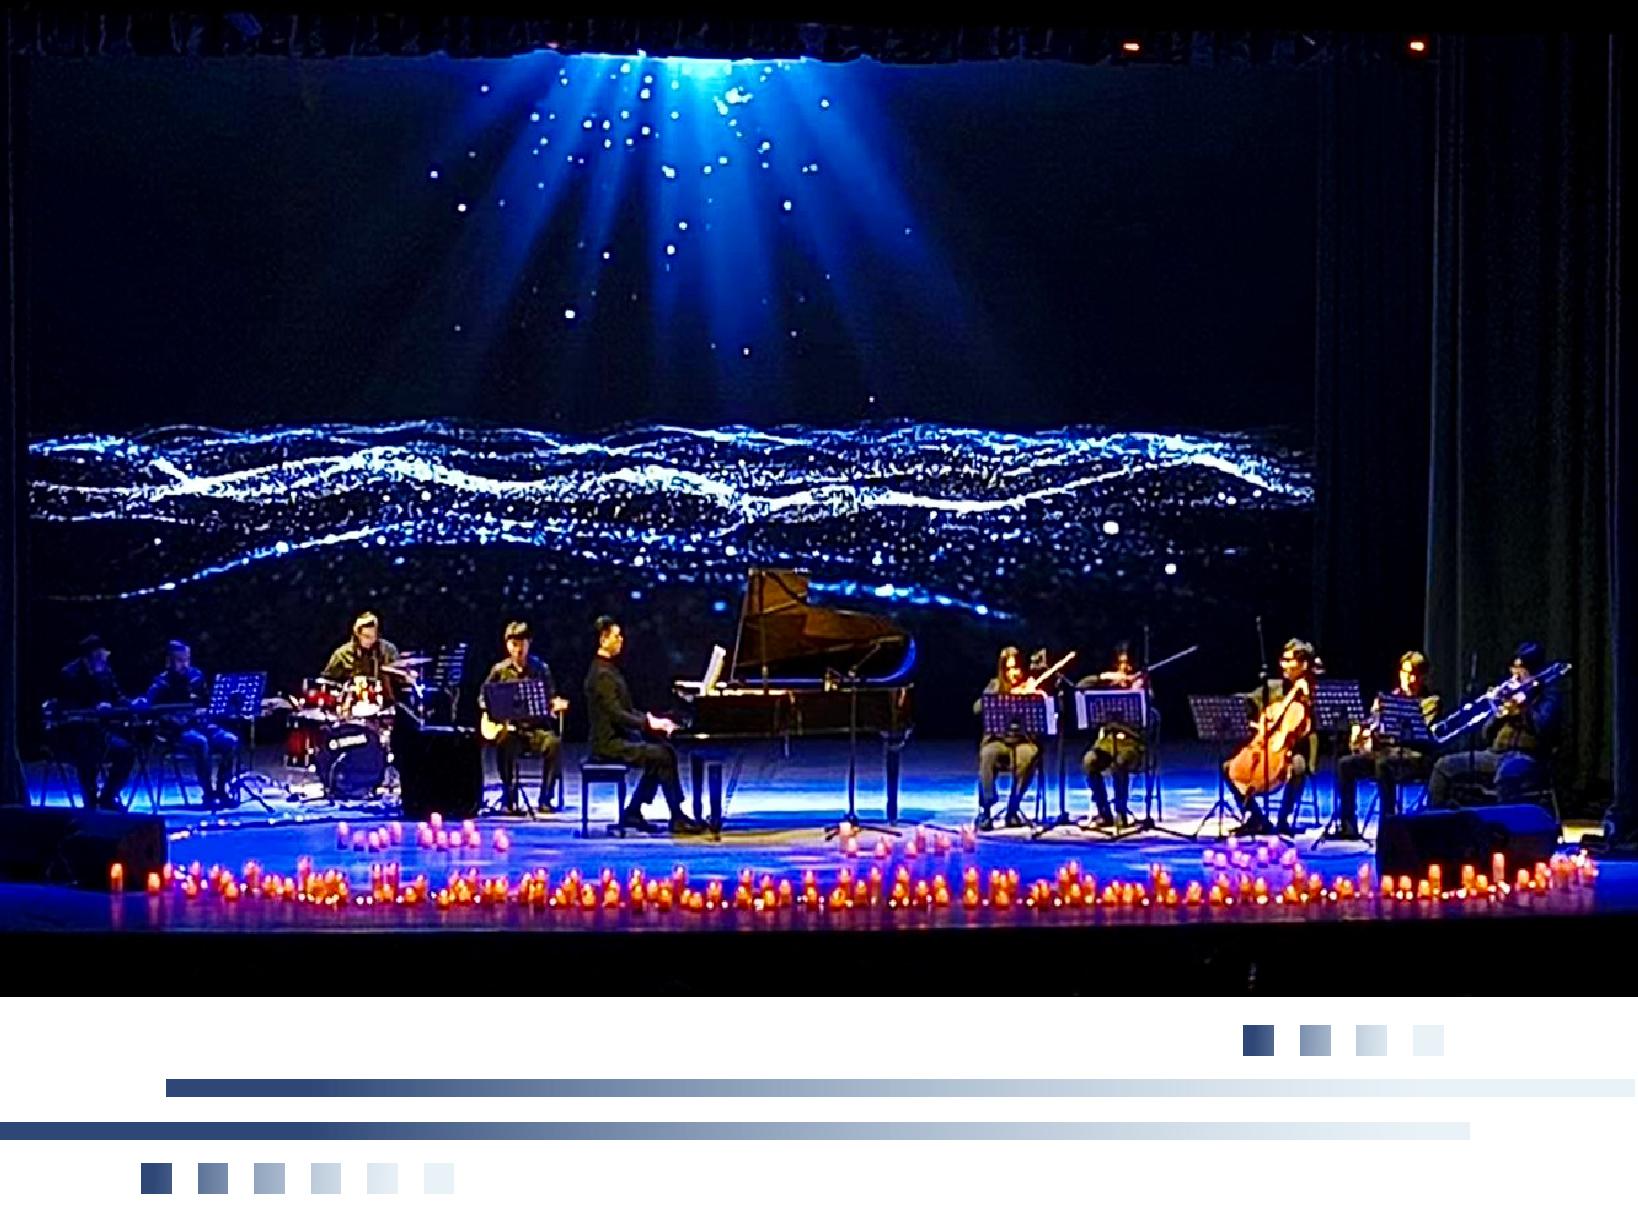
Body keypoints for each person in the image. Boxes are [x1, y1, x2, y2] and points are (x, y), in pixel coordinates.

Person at [583, 616, 705, 836]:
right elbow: (617, 714)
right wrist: (649, 723)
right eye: (616, 636)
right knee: (662, 756)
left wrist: (652, 720)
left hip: (619, 738)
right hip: (608, 744)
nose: (621, 640)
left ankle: (634, 811)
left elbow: (627, 709)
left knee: (663, 751)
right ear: (603, 639)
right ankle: (676, 816)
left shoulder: (608, 669)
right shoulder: (601, 674)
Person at [1428, 641, 1563, 806]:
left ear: (1534, 671)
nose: (1515, 674)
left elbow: (1544, 728)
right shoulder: (1509, 694)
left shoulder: (1548, 695)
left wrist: (1522, 710)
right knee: (1443, 766)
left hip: (1527, 757)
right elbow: (1486, 736)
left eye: (1521, 669)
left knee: (1506, 775)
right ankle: (1435, 815)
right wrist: (1497, 712)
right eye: (1514, 668)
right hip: (1494, 754)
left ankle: (1504, 821)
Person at [1332, 650, 1441, 840]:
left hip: (1415, 757)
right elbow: (1373, 725)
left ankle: (1388, 826)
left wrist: (1383, 734)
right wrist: (1364, 730)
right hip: (1386, 753)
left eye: (1415, 674)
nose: (1410, 679)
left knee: (1384, 765)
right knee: (1345, 764)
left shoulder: (1431, 702)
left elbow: (1416, 734)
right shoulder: (1389, 699)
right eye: (1406, 673)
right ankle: (1348, 825)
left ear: (1423, 677)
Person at [1226, 638, 1317, 837]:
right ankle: (1256, 817)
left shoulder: (1314, 691)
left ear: (1303, 664)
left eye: (1288, 660)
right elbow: (1249, 700)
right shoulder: (1274, 687)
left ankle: (1284, 820)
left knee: (1298, 767)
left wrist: (1307, 697)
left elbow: (1321, 719)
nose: (1283, 665)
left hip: (1298, 747)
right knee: (1229, 768)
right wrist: (1239, 707)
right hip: (1267, 743)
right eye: (1282, 660)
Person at [480, 622, 569, 815]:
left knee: (553, 744)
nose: (518, 649)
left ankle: (546, 798)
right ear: (507, 645)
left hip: (537, 729)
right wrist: (492, 713)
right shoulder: (499, 670)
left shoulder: (541, 669)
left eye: (522, 643)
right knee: (505, 743)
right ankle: (510, 797)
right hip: (512, 730)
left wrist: (555, 704)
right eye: (514, 644)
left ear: (529, 643)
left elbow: (550, 697)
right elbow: (483, 697)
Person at [142, 639, 240, 809]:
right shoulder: (161, 683)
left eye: (187, 659)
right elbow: (153, 710)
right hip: (177, 731)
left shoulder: (197, 676)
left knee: (230, 740)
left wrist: (207, 711)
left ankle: (222, 790)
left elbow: (208, 702)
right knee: (200, 742)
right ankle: (208, 793)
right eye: (180, 660)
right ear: (169, 661)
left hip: (201, 724)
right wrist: (173, 719)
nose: (185, 664)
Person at [54, 634, 137, 811]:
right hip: (75, 732)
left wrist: (132, 704)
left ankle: (107, 797)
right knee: (88, 750)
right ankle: (90, 801)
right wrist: (94, 708)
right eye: (99, 656)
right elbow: (67, 707)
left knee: (126, 752)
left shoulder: (106, 671)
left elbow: (117, 696)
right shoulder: (69, 675)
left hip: (101, 731)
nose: (104, 660)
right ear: (88, 658)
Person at [1078, 642, 1152, 829]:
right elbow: (1081, 686)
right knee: (1089, 761)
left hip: (1132, 742)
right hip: (1107, 741)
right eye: (1121, 664)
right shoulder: (1109, 684)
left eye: (1128, 664)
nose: (1125, 668)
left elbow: (1149, 711)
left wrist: (1137, 691)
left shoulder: (1141, 684)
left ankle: (1121, 811)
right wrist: (1104, 677)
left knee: (1120, 762)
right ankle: (1104, 812)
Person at [974, 646, 1043, 830]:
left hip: (1023, 741)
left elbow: (1045, 714)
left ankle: (1013, 809)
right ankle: (986, 808)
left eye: (1016, 668)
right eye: (1009, 669)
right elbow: (977, 708)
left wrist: (1034, 696)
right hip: (998, 741)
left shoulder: (1030, 687)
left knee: (1029, 755)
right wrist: (1002, 695)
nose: (1013, 673)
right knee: (988, 754)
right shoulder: (994, 685)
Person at [320, 612, 402, 703]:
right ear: (357, 634)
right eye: (366, 637)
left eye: (374, 636)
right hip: (350, 703)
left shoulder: (388, 650)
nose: (371, 641)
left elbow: (400, 677)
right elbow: (327, 681)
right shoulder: (342, 654)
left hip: (385, 703)